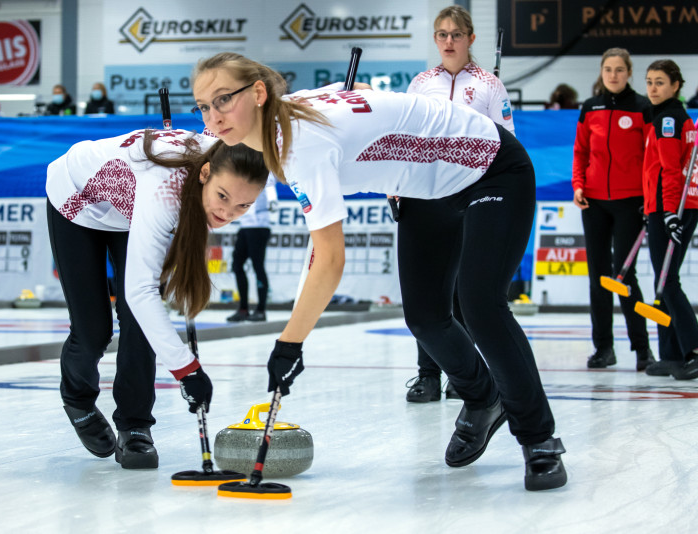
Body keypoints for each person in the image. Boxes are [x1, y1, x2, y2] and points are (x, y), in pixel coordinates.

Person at [191, 52, 567, 491]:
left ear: (257, 94)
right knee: (425, 318)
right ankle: (484, 399)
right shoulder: (293, 107)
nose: (212, 117)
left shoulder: (298, 144)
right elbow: (363, 92)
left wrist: (289, 344)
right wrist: (396, 162)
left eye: (222, 100)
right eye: (203, 105)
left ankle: (539, 439)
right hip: (426, 190)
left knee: (480, 303)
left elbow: (330, 260)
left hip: (490, 168)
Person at [46, 127, 268, 469]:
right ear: (205, 173)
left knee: (139, 327)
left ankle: (135, 426)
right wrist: (187, 371)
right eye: (222, 197)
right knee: (93, 330)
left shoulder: (228, 156)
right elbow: (138, 291)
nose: (226, 214)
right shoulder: (165, 190)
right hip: (77, 202)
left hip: (131, 211)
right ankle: (78, 400)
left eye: (243, 206)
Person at [402, 5, 516, 403]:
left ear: (470, 38)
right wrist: (397, 185)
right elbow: (406, 140)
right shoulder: (421, 83)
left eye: (456, 34)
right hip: (427, 195)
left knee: (464, 292)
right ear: (435, 39)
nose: (448, 41)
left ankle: (464, 373)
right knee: (428, 293)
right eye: (442, 34)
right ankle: (427, 376)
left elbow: (505, 145)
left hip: (472, 196)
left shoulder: (489, 85)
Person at [572, 47, 655, 371]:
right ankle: (604, 348)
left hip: (630, 201)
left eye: (620, 69)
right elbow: (580, 151)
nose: (614, 75)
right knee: (598, 277)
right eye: (608, 69)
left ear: (629, 73)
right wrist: (578, 185)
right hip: (593, 201)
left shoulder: (642, 107)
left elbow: (651, 159)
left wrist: (649, 197)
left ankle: (642, 349)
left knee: (624, 276)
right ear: (601, 72)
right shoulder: (590, 107)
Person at [640, 59, 698, 381]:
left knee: (667, 281)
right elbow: (656, 171)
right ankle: (672, 355)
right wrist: (649, 204)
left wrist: (669, 212)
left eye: (660, 82)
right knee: (663, 282)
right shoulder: (664, 117)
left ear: (675, 85)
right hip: (663, 205)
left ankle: (693, 350)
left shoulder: (669, 120)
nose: (652, 88)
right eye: (649, 81)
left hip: (674, 206)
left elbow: (671, 170)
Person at [227, 176, 277, 322]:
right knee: (237, 266)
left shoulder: (263, 169)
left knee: (258, 266)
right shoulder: (241, 170)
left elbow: (270, 184)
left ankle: (261, 310)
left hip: (259, 226)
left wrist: (273, 200)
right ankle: (243, 309)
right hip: (245, 226)